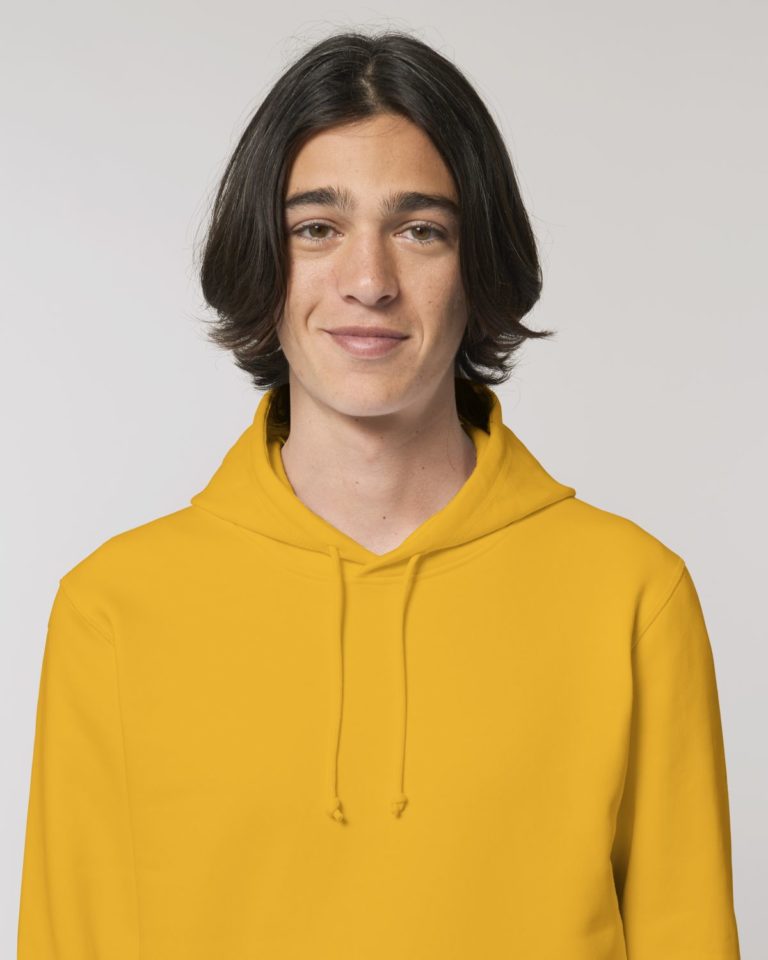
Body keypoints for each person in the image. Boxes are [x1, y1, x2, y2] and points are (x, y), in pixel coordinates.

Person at [17, 29, 741, 960]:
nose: (369, 282)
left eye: (420, 230)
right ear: (261, 261)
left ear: (477, 267)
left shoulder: (633, 596)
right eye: (317, 228)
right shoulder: (113, 610)